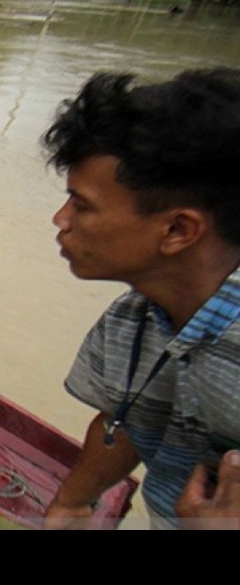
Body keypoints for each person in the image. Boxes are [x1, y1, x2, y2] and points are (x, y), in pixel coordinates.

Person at [41, 69, 240, 529]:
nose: (60, 220)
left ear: (178, 230)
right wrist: (72, 503)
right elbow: (128, 419)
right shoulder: (132, 322)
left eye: (81, 205)